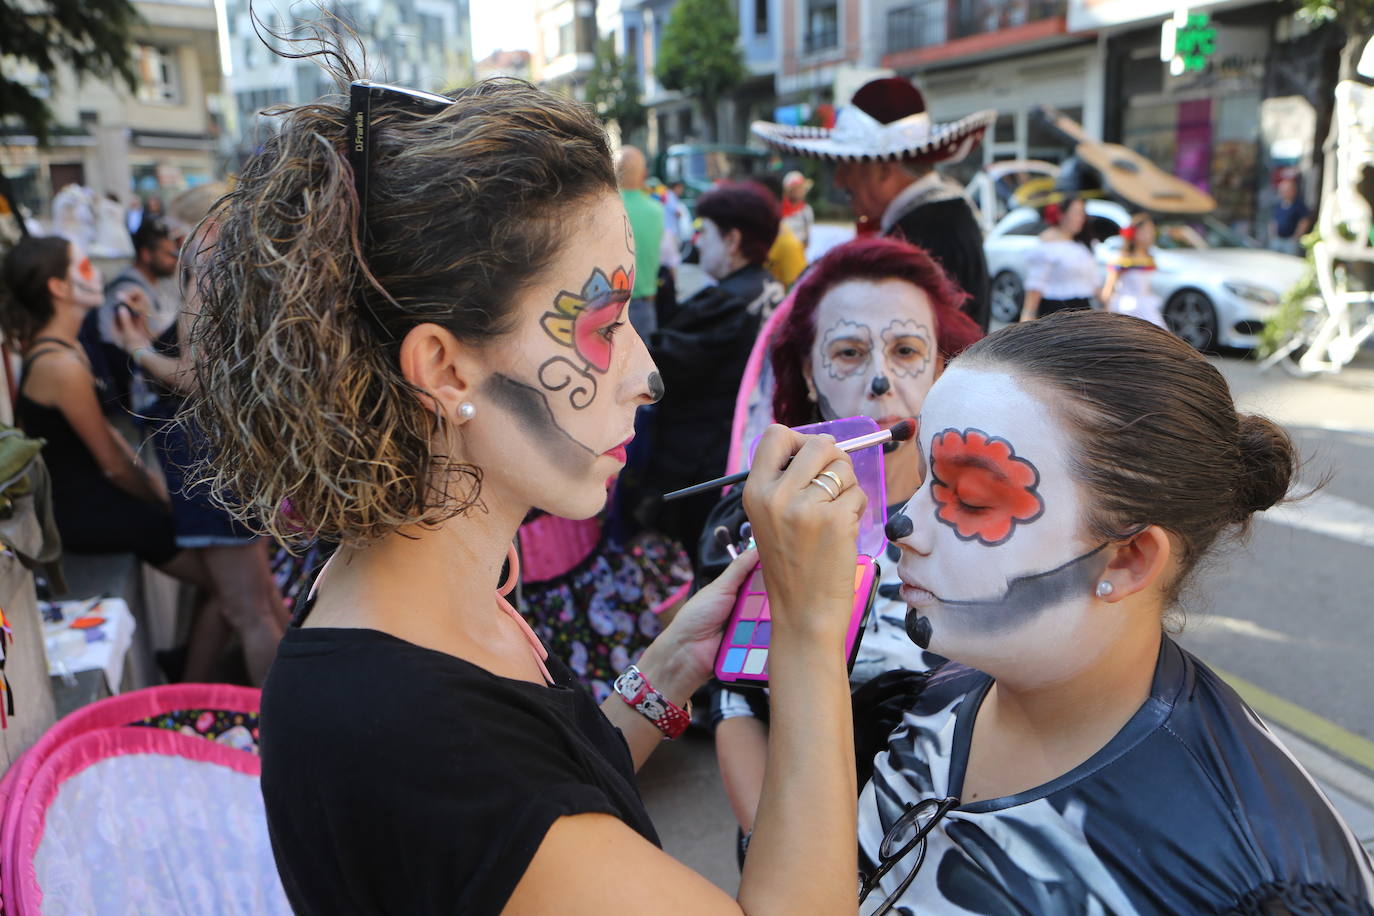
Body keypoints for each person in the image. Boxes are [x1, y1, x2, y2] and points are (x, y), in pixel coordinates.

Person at [191, 66, 868, 913]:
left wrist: (675, 665)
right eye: (604, 326)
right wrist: (809, 637)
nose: (647, 375)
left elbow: (536, 818)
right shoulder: (416, 732)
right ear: (442, 367)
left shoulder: (413, 597)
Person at [859, 310, 1374, 914]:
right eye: (922, 478)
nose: (903, 522)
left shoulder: (1252, 877)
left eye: (970, 498)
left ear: (1128, 559)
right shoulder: (935, 687)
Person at [706, 237, 983, 863]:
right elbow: (737, 705)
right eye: (850, 353)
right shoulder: (760, 520)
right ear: (808, 371)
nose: (880, 380)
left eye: (907, 350)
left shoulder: (995, 521)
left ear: (943, 366)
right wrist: (802, 868)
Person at [110, 185, 288, 686]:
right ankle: (200, 693)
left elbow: (197, 378)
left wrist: (138, 347)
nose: (172, 241)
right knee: (261, 601)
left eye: (174, 230)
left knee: (249, 612)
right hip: (231, 449)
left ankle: (271, 731)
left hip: (205, 459)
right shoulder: (239, 271)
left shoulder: (206, 275)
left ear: (199, 227)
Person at [0, 237, 219, 615]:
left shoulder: (64, 348)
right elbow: (112, 464)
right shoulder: (60, 364)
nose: (97, 273)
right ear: (58, 288)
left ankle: (184, 661)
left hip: (96, 505)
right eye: (84, 267)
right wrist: (158, 501)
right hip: (89, 514)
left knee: (227, 584)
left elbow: (111, 439)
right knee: (230, 587)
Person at [752, 77, 996, 331]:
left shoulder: (929, 233)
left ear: (883, 169)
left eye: (847, 166)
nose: (839, 180)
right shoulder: (938, 219)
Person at [640, 181, 784, 562]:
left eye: (706, 232)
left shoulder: (729, 301)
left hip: (700, 462)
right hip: (740, 451)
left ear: (733, 240)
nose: (699, 242)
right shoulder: (772, 288)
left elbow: (663, 360)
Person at [1019, 195, 1099, 321]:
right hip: (1056, 312)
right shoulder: (1048, 244)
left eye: (1082, 213)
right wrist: (1027, 316)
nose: (1081, 218)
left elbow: (1094, 282)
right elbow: (1035, 286)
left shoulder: (1082, 245)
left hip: (1083, 311)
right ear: (1062, 214)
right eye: (1076, 213)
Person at [616, 146, 664, 337]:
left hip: (607, 308)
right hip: (645, 306)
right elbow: (669, 257)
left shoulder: (602, 209)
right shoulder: (657, 210)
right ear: (644, 174)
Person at [1102, 212, 1166, 329]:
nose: (1150, 234)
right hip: (1127, 309)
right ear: (1136, 233)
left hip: (1147, 308)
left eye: (1151, 230)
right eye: (1146, 230)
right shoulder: (1123, 259)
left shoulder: (1150, 258)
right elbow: (1108, 290)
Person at [1271, 174, 1312, 256]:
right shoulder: (1279, 205)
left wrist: (1295, 237)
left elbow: (1304, 222)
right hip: (1278, 240)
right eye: (1282, 190)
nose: (1284, 192)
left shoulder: (1299, 205)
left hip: (1290, 242)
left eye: (1287, 190)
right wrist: (1273, 235)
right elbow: (1274, 221)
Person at [781, 170, 814, 250]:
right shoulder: (778, 208)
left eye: (802, 188)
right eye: (797, 188)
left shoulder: (806, 210)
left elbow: (807, 236)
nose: (802, 191)